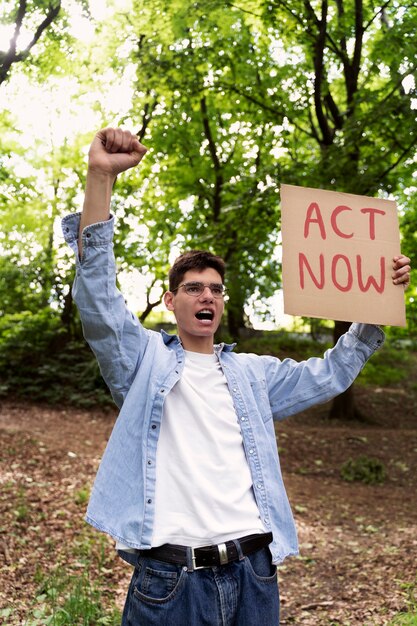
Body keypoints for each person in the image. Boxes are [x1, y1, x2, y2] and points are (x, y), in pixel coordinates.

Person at [62, 127, 411, 626]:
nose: (207, 297)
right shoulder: (143, 363)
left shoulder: (252, 375)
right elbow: (96, 297)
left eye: (216, 290)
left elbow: (331, 372)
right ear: (170, 300)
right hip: (171, 583)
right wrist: (100, 177)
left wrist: (377, 301)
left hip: (254, 575)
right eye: (193, 288)